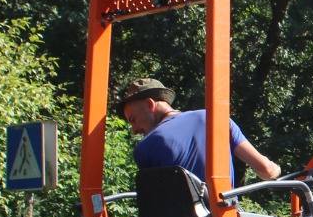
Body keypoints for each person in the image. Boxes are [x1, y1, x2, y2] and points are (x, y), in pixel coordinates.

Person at [117, 77, 282, 183]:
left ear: (150, 104)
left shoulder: (143, 149)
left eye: (133, 120)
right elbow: (266, 170)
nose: (134, 129)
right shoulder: (215, 119)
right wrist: (276, 169)